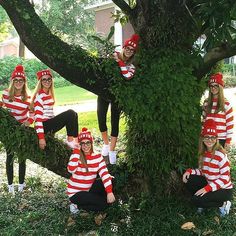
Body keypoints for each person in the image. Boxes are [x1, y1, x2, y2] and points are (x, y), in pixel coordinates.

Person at [97, 34, 140, 164]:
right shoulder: (113, 56)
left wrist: (120, 62)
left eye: (131, 50)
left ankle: (112, 149)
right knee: (101, 117)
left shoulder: (131, 66)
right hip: (104, 93)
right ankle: (105, 144)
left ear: (133, 53)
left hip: (117, 96)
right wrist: (114, 58)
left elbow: (127, 76)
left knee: (114, 121)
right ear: (124, 47)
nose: (129, 51)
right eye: (127, 48)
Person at [183, 119, 233, 217]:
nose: (210, 140)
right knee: (189, 179)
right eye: (207, 137)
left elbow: (225, 178)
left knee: (195, 200)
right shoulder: (203, 154)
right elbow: (203, 171)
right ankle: (204, 201)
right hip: (210, 184)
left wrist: (207, 188)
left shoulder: (220, 155)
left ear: (216, 139)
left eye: (213, 137)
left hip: (224, 189)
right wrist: (190, 171)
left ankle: (223, 204)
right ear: (203, 138)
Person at [1, 65, 34, 194]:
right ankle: (10, 187)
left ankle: (21, 186)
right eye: (16, 80)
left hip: (22, 131)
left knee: (21, 158)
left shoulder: (28, 98)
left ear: (24, 82)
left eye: (21, 81)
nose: (18, 83)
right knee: (9, 157)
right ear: (12, 81)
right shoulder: (5, 94)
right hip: (9, 131)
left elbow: (33, 114)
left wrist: (28, 121)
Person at [67, 127, 115, 213]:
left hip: (88, 189)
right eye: (83, 143)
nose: (85, 146)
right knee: (104, 205)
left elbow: (104, 174)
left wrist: (109, 192)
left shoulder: (97, 157)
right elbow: (71, 169)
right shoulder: (76, 155)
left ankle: (95, 200)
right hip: (76, 193)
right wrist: (77, 151)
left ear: (91, 143)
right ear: (80, 144)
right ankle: (77, 205)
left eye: (88, 142)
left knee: (112, 180)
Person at [32, 69, 78, 150]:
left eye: (49, 79)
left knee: (74, 114)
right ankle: (70, 141)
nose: (47, 81)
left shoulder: (48, 94)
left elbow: (49, 113)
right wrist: (41, 138)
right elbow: (38, 119)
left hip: (49, 123)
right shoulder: (39, 96)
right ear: (40, 82)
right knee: (70, 113)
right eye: (44, 79)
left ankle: (75, 140)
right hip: (44, 126)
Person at [202, 72, 234, 149]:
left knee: (220, 159)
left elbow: (230, 124)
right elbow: (203, 121)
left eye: (216, 85)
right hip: (208, 138)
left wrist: (228, 140)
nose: (213, 88)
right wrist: (203, 136)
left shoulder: (226, 104)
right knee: (208, 160)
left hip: (221, 138)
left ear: (220, 87)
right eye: (211, 86)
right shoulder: (206, 103)